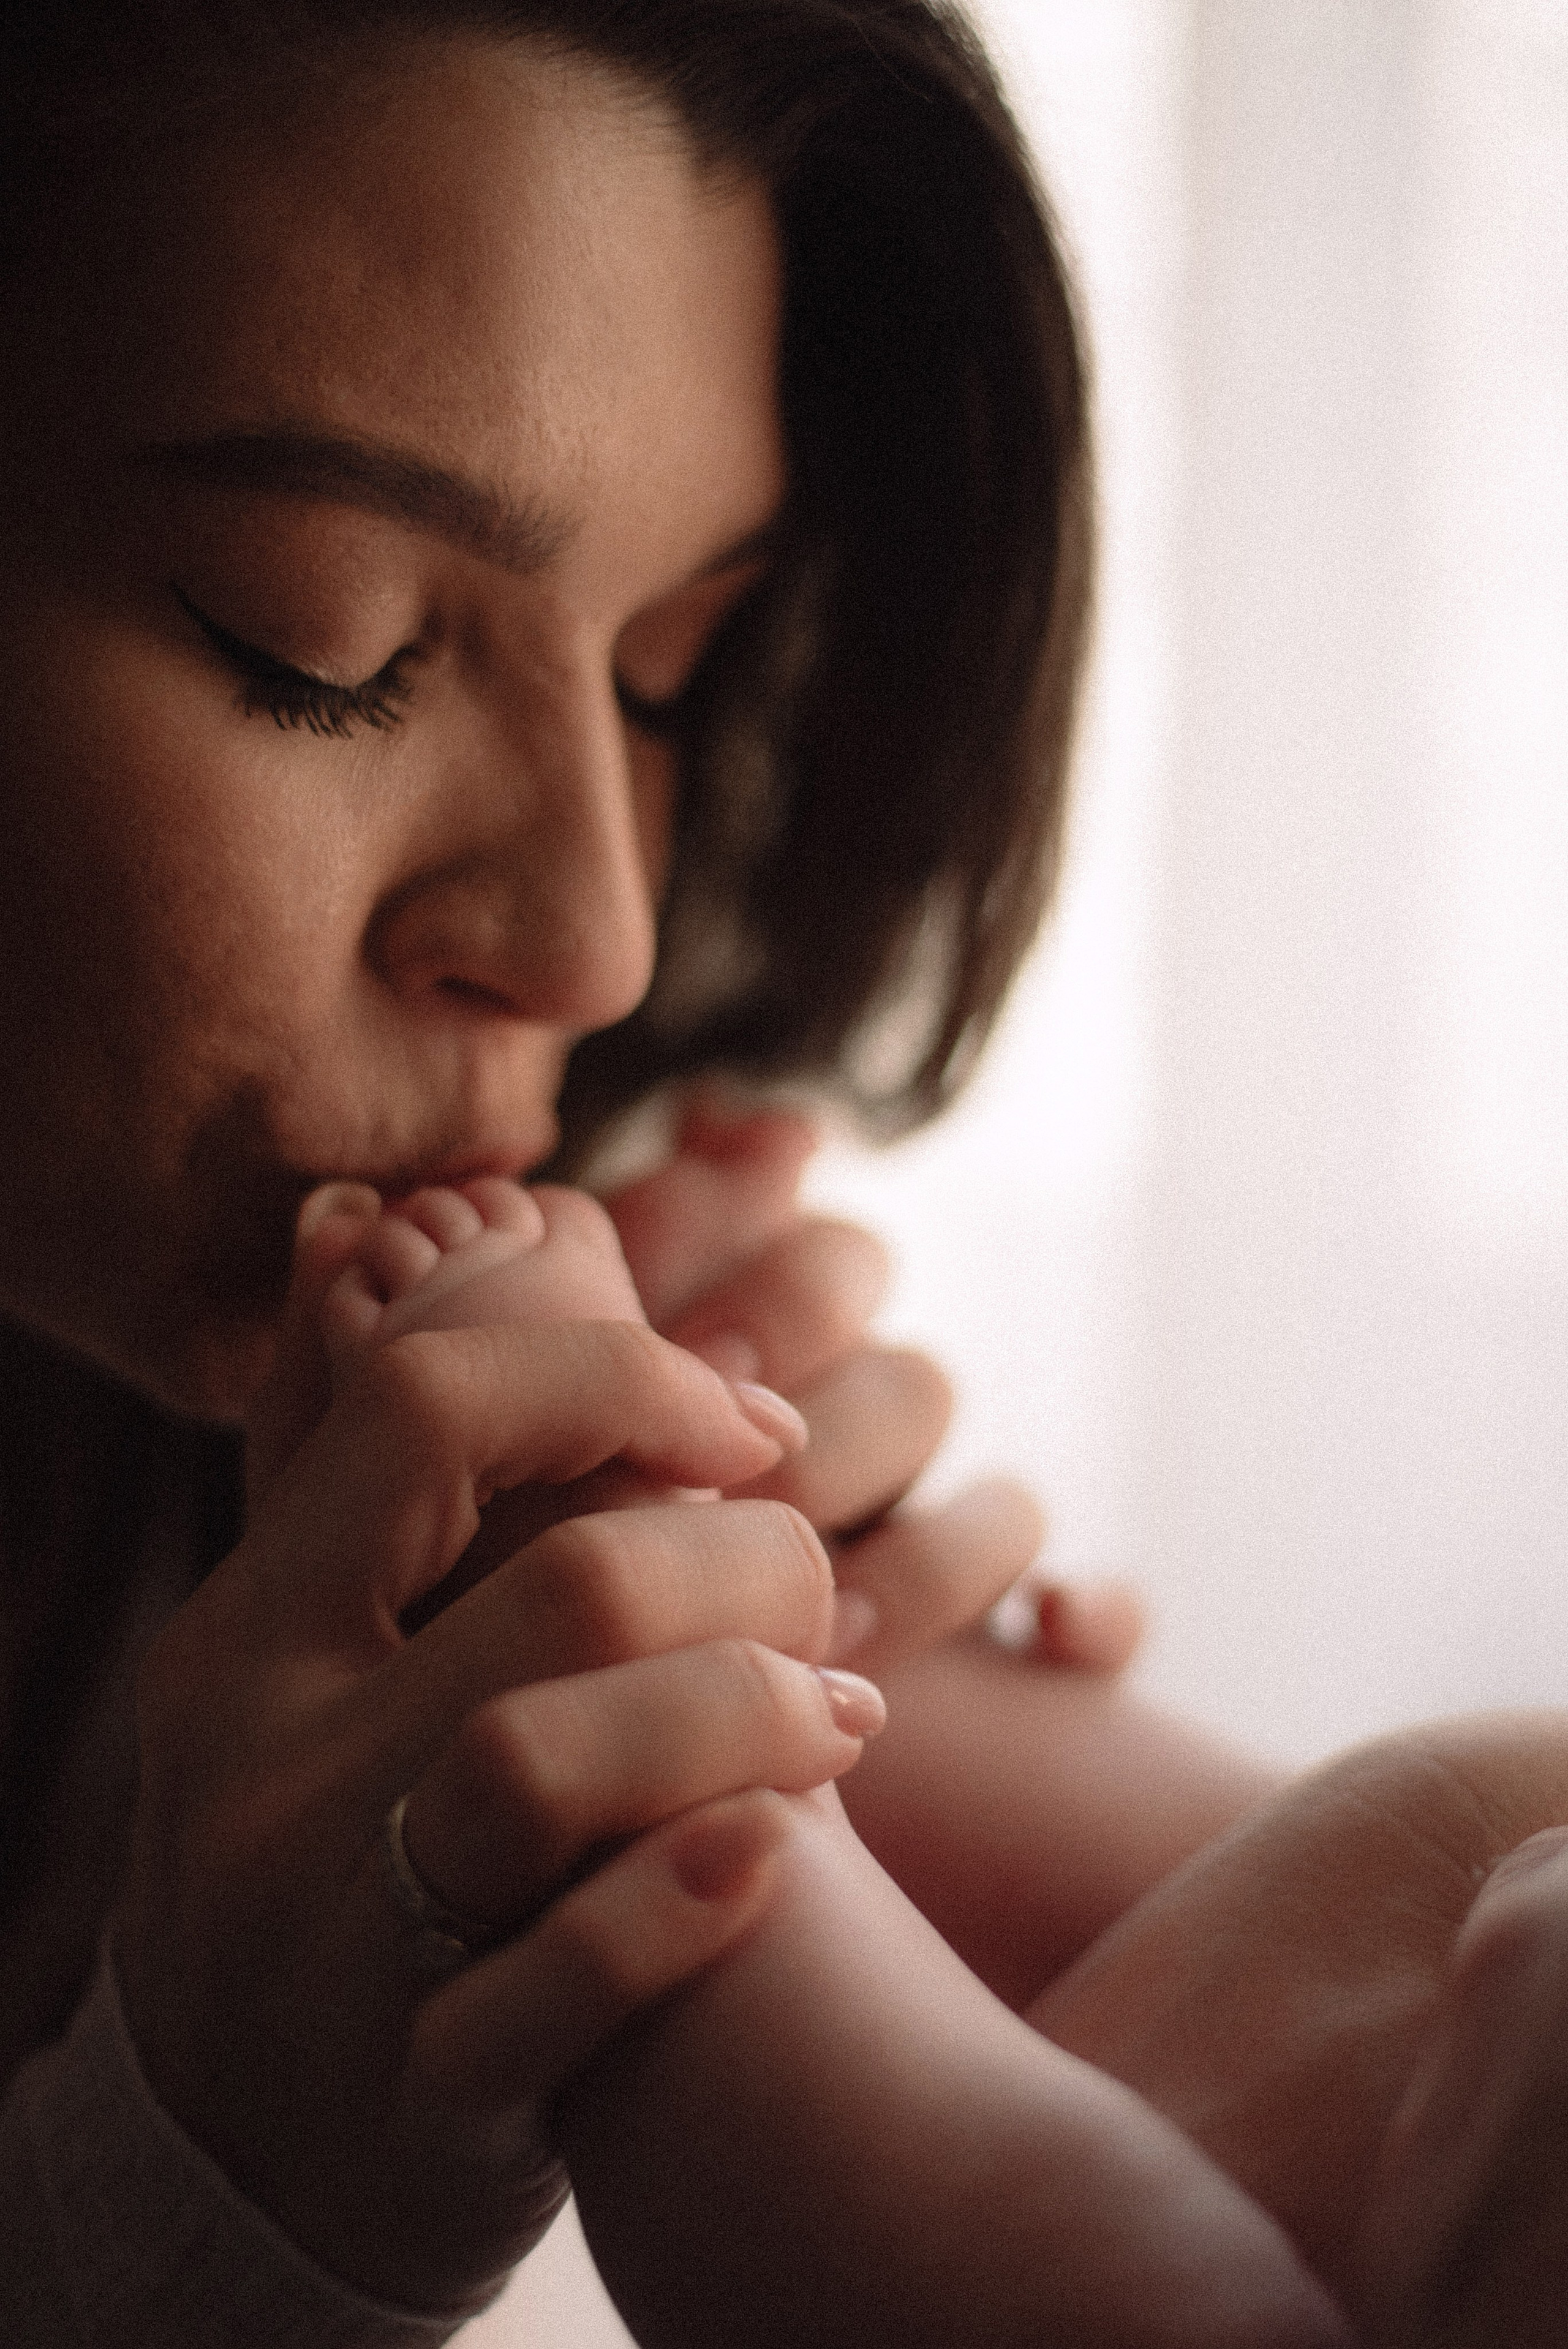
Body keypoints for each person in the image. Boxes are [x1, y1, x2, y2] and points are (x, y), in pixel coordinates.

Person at [0, 2, 1565, 2343]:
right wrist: (182, 2208)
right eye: (322, 645)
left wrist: (753, 1625)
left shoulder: (307, 1415)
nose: (599, 936)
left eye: (660, 670)